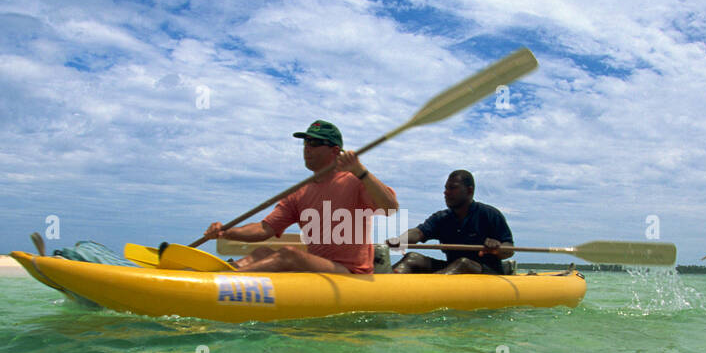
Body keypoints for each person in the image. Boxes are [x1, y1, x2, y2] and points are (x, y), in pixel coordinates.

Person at [200, 120, 397, 274]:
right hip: (318, 266)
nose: (307, 148)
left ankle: (222, 284)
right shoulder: (299, 192)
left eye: (315, 143)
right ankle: (202, 276)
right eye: (305, 142)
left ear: (335, 151)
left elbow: (390, 208)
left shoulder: (356, 181)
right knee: (262, 253)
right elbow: (264, 229)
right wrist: (225, 232)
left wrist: (360, 170)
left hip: (351, 271)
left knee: (289, 255)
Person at [389, 170, 514, 274]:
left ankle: (430, 289)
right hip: (452, 267)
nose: (446, 192)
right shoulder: (441, 218)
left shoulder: (489, 214)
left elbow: (509, 250)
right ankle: (385, 286)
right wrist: (400, 240)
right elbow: (418, 232)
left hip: (486, 272)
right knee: (412, 258)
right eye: (446, 188)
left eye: (453, 188)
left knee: (463, 263)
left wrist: (497, 248)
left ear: (470, 191)